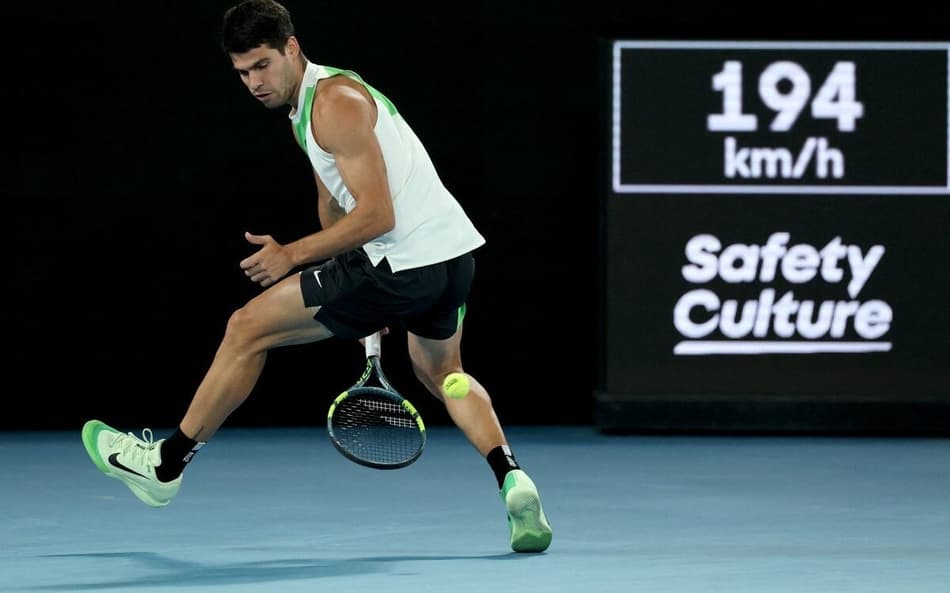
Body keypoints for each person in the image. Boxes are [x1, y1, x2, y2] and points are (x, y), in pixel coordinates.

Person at [81, 0, 552, 553]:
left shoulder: (333, 105)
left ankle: (164, 467)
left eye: (262, 65)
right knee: (446, 374)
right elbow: (336, 203)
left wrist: (293, 257)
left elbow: (378, 216)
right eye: (242, 73)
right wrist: (353, 287)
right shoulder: (313, 104)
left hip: (398, 259)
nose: (254, 82)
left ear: (291, 48)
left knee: (247, 327)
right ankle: (512, 479)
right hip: (451, 263)